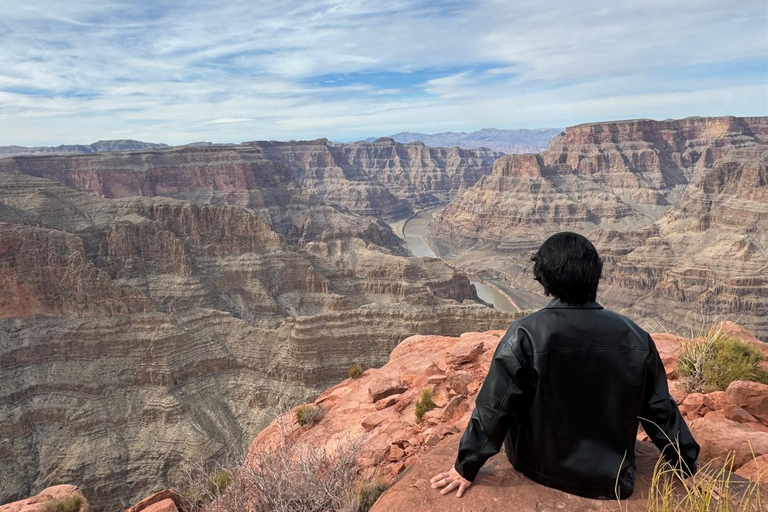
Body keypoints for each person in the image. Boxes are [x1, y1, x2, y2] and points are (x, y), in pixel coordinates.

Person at [430, 232, 699, 499]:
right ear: (595, 275)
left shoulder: (525, 334)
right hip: (612, 477)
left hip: (538, 466)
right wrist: (686, 466)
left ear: (544, 279)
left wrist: (465, 467)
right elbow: (659, 410)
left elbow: (494, 408)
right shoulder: (637, 337)